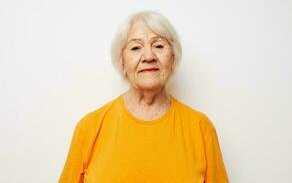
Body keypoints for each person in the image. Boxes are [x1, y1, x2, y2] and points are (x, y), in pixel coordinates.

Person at [58, 10, 229, 183]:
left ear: (173, 58)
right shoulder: (89, 128)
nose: (148, 56)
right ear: (122, 61)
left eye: (159, 46)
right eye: (135, 48)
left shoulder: (201, 128)